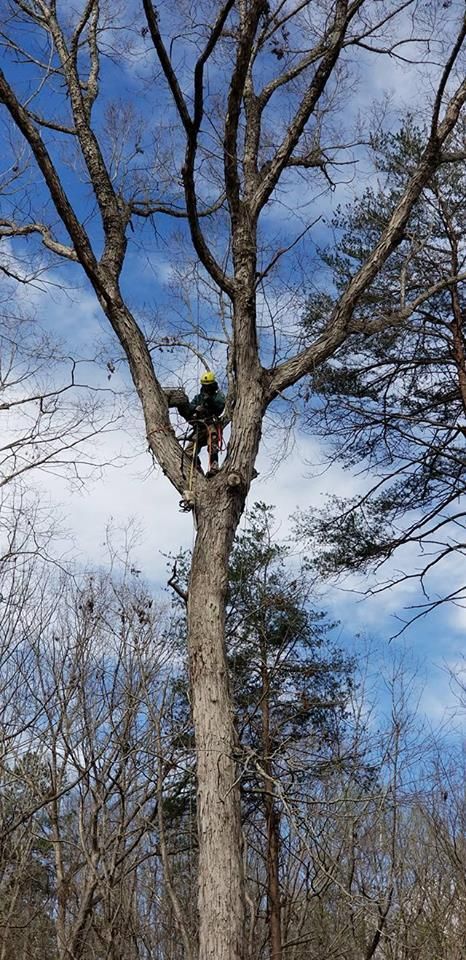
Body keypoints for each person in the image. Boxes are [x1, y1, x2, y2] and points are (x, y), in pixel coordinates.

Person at [184, 371, 225, 476]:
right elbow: (190, 407)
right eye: (204, 386)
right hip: (199, 426)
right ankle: (198, 469)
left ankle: (214, 466)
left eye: (208, 386)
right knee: (189, 451)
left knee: (213, 440)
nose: (206, 388)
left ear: (212, 385)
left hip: (211, 423)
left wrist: (209, 401)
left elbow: (220, 407)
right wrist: (195, 408)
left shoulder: (218, 396)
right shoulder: (198, 398)